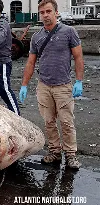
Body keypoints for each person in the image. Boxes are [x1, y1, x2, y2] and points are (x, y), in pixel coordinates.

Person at [19, 0, 84, 169]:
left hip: (63, 86)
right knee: (49, 122)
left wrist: (79, 81)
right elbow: (31, 63)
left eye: (49, 11)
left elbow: (78, 57)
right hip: (44, 86)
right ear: (39, 14)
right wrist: (24, 85)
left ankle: (71, 155)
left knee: (67, 122)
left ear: (56, 12)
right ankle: (55, 152)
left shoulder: (69, 32)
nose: (45, 15)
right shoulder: (37, 37)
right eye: (42, 12)